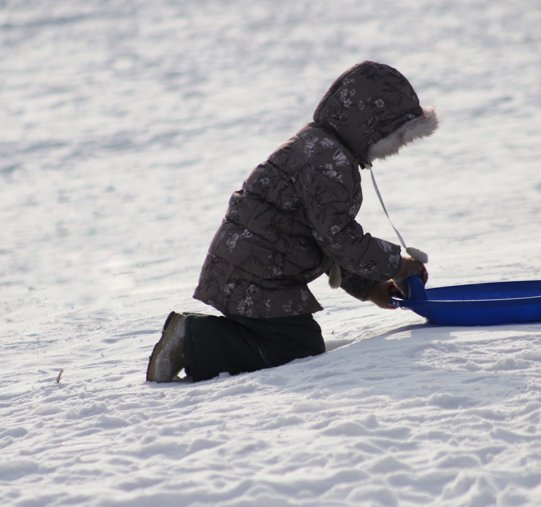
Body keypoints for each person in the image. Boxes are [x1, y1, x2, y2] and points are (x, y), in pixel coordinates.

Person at [146, 61, 438, 383]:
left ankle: (200, 339)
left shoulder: (320, 147)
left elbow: (326, 241)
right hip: (258, 275)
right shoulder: (329, 161)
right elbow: (338, 239)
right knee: (295, 348)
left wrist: (371, 288)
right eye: (395, 136)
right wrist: (399, 266)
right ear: (371, 127)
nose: (396, 148)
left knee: (290, 339)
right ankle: (192, 339)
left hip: (252, 267)